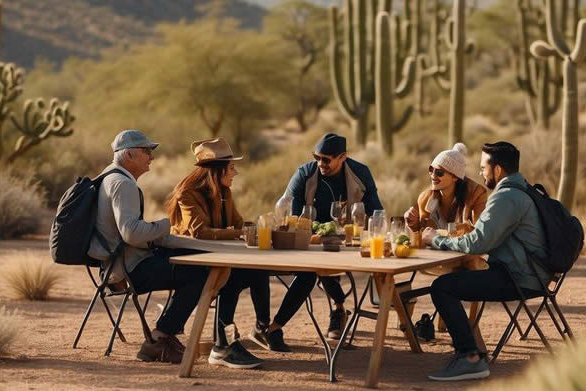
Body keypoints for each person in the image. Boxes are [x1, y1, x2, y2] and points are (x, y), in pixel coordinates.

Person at [420, 141, 551, 382]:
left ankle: (470, 358)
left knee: (443, 287)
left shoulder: (505, 197)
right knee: (449, 283)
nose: (480, 173)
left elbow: (477, 243)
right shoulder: (524, 189)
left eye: (483, 168)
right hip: (532, 274)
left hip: (519, 278)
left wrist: (436, 240)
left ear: (497, 170)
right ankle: (470, 354)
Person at [88, 129, 209, 364]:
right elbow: (132, 233)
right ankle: (160, 338)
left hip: (115, 266)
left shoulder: (108, 177)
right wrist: (167, 225)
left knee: (191, 255)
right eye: (146, 152)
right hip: (129, 270)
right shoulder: (123, 184)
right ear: (130, 154)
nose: (151, 157)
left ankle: (164, 337)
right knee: (198, 272)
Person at [259, 132, 382, 349]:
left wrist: (355, 229)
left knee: (324, 262)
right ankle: (276, 327)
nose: (320, 163)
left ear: (342, 157)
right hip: (309, 240)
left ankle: (337, 308)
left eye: (327, 159)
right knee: (312, 270)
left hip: (346, 239)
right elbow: (294, 219)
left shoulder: (360, 173)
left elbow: (375, 213)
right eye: (317, 157)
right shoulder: (304, 175)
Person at [166, 138, 271, 369]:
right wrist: (238, 232)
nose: (235, 172)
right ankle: (223, 346)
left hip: (217, 256)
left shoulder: (225, 192)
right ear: (217, 170)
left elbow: (238, 224)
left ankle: (265, 329)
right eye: (232, 167)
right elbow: (200, 232)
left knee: (258, 270)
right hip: (190, 260)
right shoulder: (187, 193)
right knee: (232, 278)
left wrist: (252, 229)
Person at [404, 142, 488, 235]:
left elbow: (478, 233)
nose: (433, 176)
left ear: (455, 177)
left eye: (439, 172)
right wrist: (413, 223)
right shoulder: (425, 198)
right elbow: (421, 232)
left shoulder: (477, 194)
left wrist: (445, 232)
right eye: (431, 170)